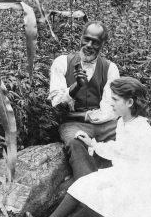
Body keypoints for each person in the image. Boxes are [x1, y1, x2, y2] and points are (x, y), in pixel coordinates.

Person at [26, 77, 151, 217]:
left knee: (96, 200)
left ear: (130, 103)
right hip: (129, 174)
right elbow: (119, 149)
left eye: (115, 99)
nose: (111, 103)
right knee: (84, 184)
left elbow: (146, 169)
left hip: (143, 185)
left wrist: (113, 181)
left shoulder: (141, 130)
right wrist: (93, 144)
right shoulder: (123, 121)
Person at [48, 21, 120, 181]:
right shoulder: (61, 62)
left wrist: (86, 116)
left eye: (95, 42)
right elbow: (56, 103)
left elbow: (110, 110)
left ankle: (119, 185)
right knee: (76, 142)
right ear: (80, 37)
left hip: (105, 125)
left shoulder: (110, 68)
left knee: (125, 136)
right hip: (74, 125)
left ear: (103, 44)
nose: (88, 45)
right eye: (86, 39)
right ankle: (86, 189)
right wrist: (76, 86)